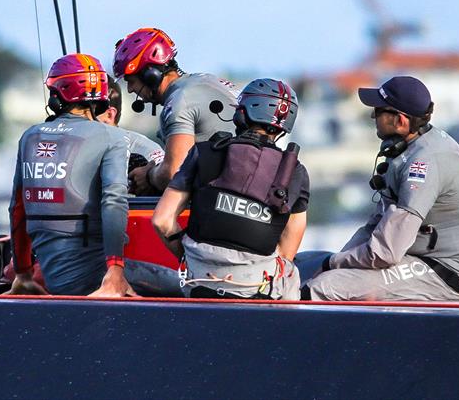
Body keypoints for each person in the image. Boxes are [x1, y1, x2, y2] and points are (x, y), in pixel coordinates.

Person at [306, 76, 459, 301]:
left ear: (401, 121)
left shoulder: (423, 164)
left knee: (323, 287)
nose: (373, 115)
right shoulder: (407, 147)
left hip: (442, 270)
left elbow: (385, 252)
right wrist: (334, 261)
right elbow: (377, 225)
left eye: (380, 110)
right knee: (304, 265)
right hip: (412, 254)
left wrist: (334, 263)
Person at [152, 79, 309, 299]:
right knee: (292, 273)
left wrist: (186, 257)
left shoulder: (203, 152)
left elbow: (162, 220)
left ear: (242, 114)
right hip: (257, 287)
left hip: (198, 280)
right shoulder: (297, 173)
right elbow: (286, 252)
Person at [7, 54, 135, 297]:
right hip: (97, 278)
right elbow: (115, 201)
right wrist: (115, 272)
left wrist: (23, 274)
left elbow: (17, 208)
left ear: (57, 96)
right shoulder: (113, 137)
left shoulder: (30, 136)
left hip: (55, 279)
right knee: (185, 282)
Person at [112, 27, 238, 195]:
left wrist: (149, 175)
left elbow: (174, 173)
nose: (129, 89)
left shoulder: (179, 101)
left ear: (151, 74)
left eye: (131, 81)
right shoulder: (209, 80)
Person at [97, 76, 165, 171]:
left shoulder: (145, 151)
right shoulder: (72, 146)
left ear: (109, 115)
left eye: (84, 112)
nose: (72, 120)